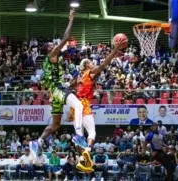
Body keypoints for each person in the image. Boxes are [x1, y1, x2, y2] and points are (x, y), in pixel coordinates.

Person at [69, 39, 126, 172]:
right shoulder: (91, 73)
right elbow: (104, 64)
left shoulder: (78, 77)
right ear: (87, 66)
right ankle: (87, 150)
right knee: (92, 132)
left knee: (79, 135)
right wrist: (114, 50)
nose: (93, 63)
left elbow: (71, 87)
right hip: (84, 104)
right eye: (91, 62)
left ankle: (81, 159)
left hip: (75, 106)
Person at [34, 9, 87, 152]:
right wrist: (71, 19)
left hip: (56, 91)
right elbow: (66, 37)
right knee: (78, 106)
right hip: (57, 89)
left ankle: (38, 141)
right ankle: (79, 135)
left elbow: (70, 75)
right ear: (49, 50)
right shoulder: (51, 55)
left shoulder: (58, 60)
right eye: (52, 45)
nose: (54, 45)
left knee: (55, 124)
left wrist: (72, 81)